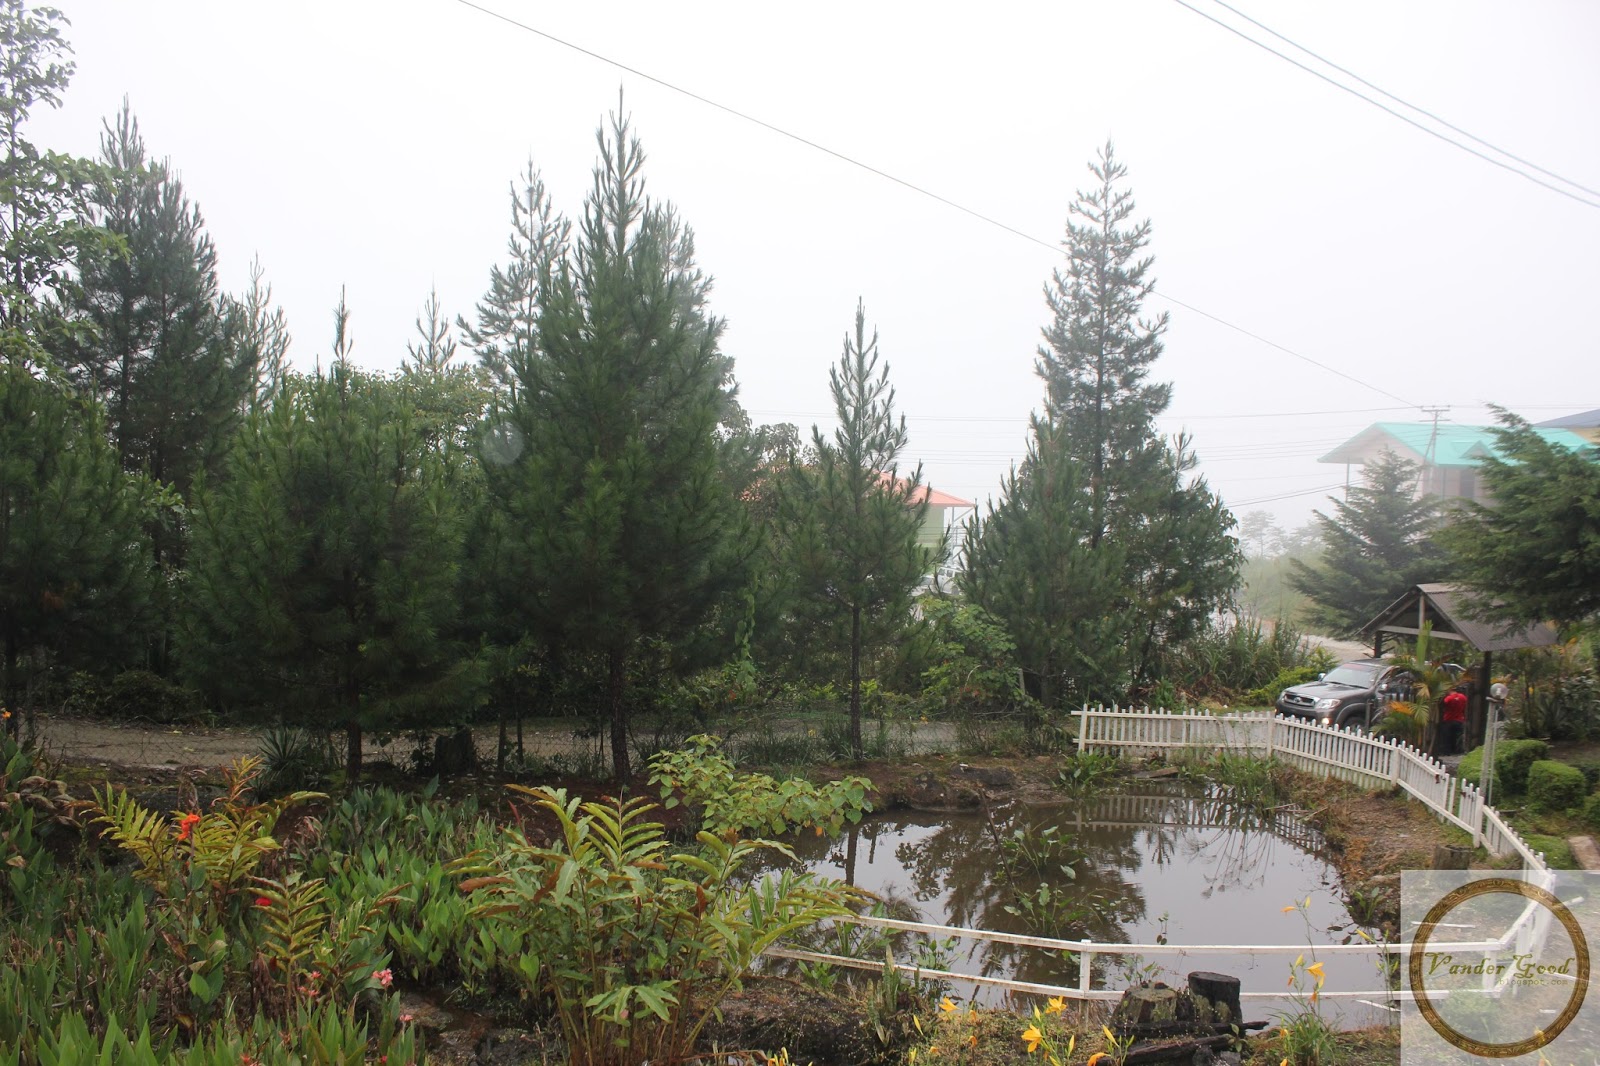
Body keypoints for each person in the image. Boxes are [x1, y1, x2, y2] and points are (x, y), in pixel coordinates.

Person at [1440, 685, 1467, 756]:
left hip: (1448, 720)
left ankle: (1447, 752)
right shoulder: (1463, 697)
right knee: (1457, 736)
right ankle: (1456, 750)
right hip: (1459, 720)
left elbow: (1443, 705)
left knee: (1447, 737)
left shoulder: (1448, 698)